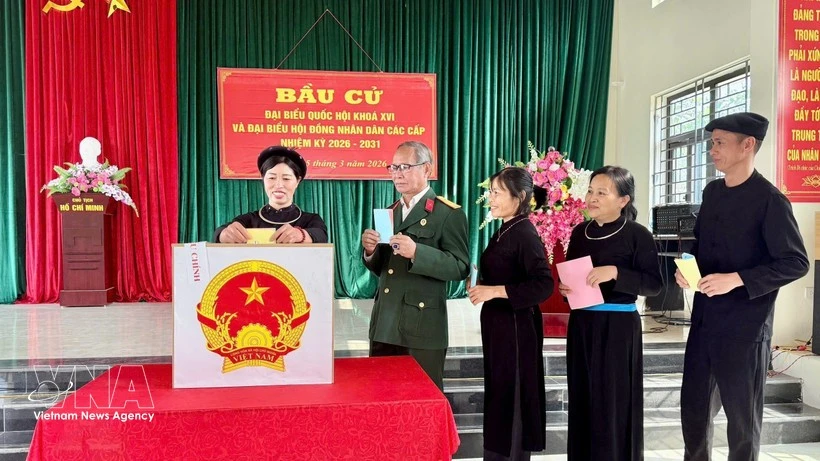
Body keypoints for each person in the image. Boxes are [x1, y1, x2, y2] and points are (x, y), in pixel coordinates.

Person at [676, 112, 809, 461]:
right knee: (694, 411)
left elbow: (796, 262)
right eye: (712, 143)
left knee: (742, 421)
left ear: (747, 145)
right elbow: (701, 244)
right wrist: (688, 269)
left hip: (745, 329)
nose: (712, 150)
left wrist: (737, 279)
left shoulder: (770, 200)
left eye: (719, 142)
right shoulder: (713, 192)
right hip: (705, 323)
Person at [560, 165, 662, 461]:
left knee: (614, 401)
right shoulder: (580, 232)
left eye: (601, 193)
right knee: (583, 396)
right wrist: (566, 290)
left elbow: (655, 285)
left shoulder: (638, 235)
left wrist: (616, 272)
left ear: (623, 200)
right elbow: (572, 277)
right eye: (590, 191)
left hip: (618, 328)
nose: (592, 198)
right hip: (582, 325)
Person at [360, 141, 470, 389]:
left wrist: (418, 252)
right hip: (385, 323)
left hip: (422, 326)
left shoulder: (447, 214)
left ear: (426, 170)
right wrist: (370, 251)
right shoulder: (389, 212)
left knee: (421, 402)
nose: (397, 173)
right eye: (393, 167)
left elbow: (460, 266)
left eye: (405, 167)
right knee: (382, 398)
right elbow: (384, 269)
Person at [467, 167, 553, 461]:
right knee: (500, 396)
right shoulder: (505, 229)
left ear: (520, 198)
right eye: (489, 191)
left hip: (517, 332)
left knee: (512, 400)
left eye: (496, 192)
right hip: (499, 330)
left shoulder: (525, 233)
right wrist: (482, 285)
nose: (489, 198)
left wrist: (494, 291)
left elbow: (543, 284)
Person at [213, 146, 328, 244]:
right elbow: (219, 233)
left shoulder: (311, 219)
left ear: (297, 181)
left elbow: (321, 235)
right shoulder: (248, 220)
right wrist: (224, 234)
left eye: (286, 178)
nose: (278, 185)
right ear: (263, 179)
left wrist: (301, 235)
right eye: (271, 178)